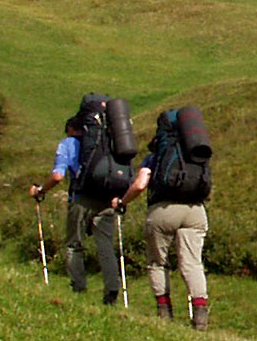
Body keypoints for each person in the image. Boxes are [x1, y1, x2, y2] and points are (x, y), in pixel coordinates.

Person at [113, 109, 212, 331]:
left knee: (158, 262)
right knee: (192, 263)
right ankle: (200, 317)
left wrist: (122, 202)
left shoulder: (157, 155)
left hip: (163, 210)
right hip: (196, 210)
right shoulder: (197, 153)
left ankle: (165, 313)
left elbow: (139, 185)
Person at [29, 111, 124, 305]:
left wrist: (40, 190)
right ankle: (112, 290)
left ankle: (79, 287)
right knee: (105, 246)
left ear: (71, 129)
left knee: (74, 244)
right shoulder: (107, 141)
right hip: (106, 199)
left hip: (81, 199)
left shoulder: (68, 144)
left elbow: (58, 176)